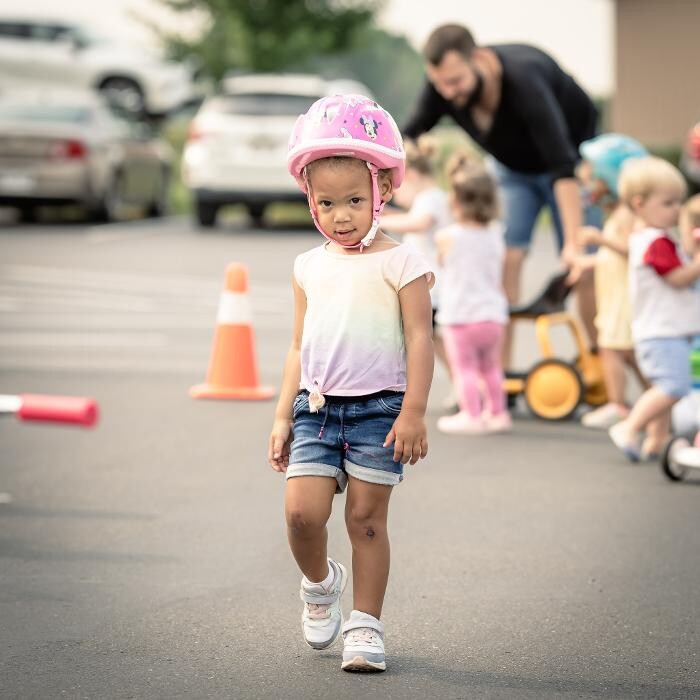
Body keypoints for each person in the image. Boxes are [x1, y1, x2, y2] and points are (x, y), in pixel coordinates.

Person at [267, 94, 434, 673]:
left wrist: (413, 411)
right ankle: (320, 585)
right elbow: (297, 344)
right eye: (328, 202)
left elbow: (420, 339)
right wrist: (282, 414)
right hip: (315, 406)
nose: (342, 215)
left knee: (365, 518)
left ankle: (366, 625)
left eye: (355, 200)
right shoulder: (308, 266)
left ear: (383, 190)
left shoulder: (403, 264)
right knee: (301, 515)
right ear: (310, 200)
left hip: (380, 409)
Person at [402, 23, 600, 355]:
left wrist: (573, 242)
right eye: (440, 84)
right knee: (505, 257)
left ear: (478, 58)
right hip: (512, 170)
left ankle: (602, 373)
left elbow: (562, 166)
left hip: (573, 162)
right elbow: (409, 134)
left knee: (583, 267)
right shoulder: (442, 86)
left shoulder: (526, 80)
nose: (449, 93)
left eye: (455, 82)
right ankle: (499, 378)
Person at [609, 157, 700, 461]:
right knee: (674, 387)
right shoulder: (655, 242)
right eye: (668, 203)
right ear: (640, 204)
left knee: (663, 387)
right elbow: (677, 279)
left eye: (678, 202)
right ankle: (630, 426)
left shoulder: (651, 239)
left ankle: (655, 440)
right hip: (661, 332)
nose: (677, 210)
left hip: (663, 329)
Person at [571, 134, 650, 431]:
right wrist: (586, 261)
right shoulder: (617, 213)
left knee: (614, 350)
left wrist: (598, 238)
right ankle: (652, 397)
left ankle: (619, 404)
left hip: (625, 297)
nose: (589, 186)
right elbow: (610, 257)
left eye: (595, 180)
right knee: (625, 352)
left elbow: (635, 251)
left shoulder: (629, 214)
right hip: (614, 295)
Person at [434, 158, 510, 434]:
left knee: (464, 369)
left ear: (454, 202)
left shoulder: (447, 236)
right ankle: (498, 413)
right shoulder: (496, 234)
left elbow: (443, 261)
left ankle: (472, 415)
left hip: (461, 316)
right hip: (493, 315)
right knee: (490, 368)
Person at [379, 135, 453, 400]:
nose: (397, 195)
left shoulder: (429, 199)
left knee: (424, 339)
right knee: (433, 339)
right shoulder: (436, 196)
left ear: (410, 176)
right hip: (435, 285)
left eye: (398, 187)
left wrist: (380, 224)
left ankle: (459, 383)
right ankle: (461, 382)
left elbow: (420, 223)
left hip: (433, 287)